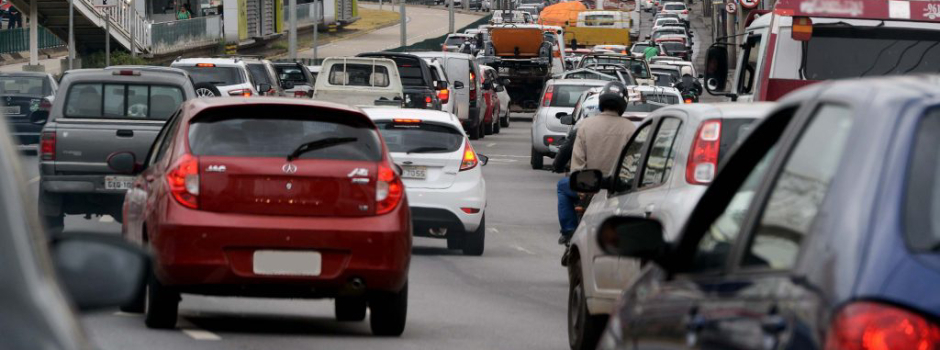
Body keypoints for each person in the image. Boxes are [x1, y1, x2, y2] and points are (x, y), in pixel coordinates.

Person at [556, 82, 637, 244]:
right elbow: (633, 162)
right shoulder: (630, 128)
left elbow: (578, 162)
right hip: (618, 187)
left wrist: (581, 189)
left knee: (562, 187)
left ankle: (569, 231)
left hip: (589, 185)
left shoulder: (585, 125)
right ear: (623, 105)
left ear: (601, 101)